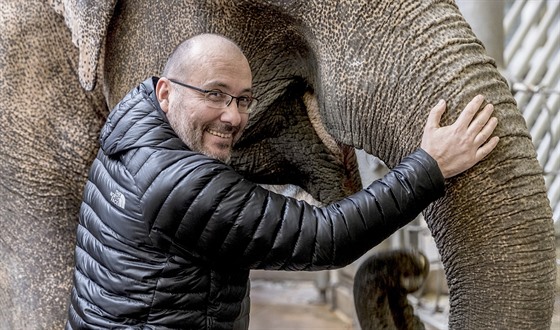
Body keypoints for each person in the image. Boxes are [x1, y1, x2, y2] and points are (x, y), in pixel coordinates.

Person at [66, 33, 499, 329]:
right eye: (214, 94)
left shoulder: (132, 132)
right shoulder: (182, 184)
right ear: (166, 92)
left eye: (243, 100)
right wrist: (430, 166)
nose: (233, 116)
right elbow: (323, 237)